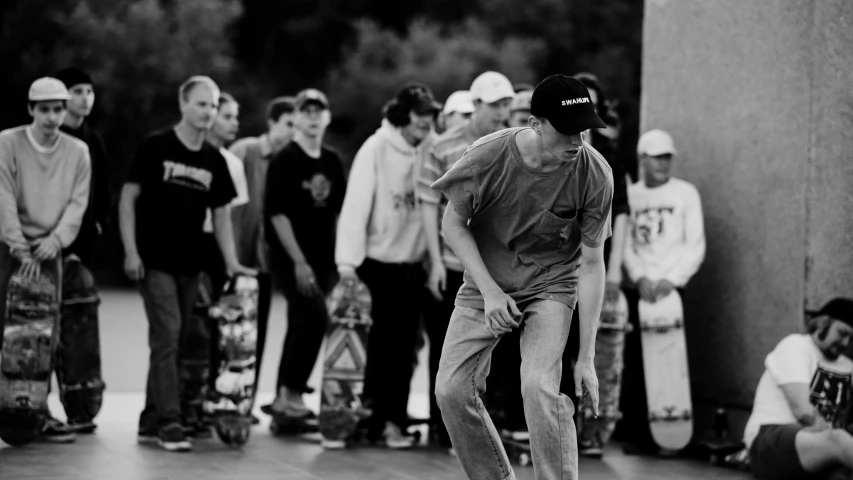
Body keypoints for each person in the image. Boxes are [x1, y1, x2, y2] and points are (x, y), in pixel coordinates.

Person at [433, 74, 614, 480]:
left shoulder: (595, 173)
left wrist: (585, 357)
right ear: (536, 125)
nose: (576, 141)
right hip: (487, 284)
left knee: (538, 387)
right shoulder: (487, 156)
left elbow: (591, 264)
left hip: (552, 284)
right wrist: (491, 292)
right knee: (451, 390)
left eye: (582, 130)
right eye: (566, 131)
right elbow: (453, 224)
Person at [119, 75, 254, 452]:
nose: (208, 112)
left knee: (171, 340)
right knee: (168, 336)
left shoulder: (215, 160)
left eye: (213, 105)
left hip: (191, 265)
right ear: (183, 104)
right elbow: (128, 199)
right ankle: (169, 422)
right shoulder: (156, 146)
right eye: (201, 104)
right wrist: (130, 250)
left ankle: (150, 416)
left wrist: (232, 262)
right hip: (154, 261)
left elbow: (223, 216)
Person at [335, 82, 440, 449]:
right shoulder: (376, 148)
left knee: (404, 349)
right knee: (376, 350)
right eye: (419, 113)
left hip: (411, 267)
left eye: (430, 113)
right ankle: (368, 420)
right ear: (401, 113)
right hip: (377, 266)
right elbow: (356, 205)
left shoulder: (432, 149)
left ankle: (393, 421)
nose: (426, 121)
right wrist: (347, 264)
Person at [419, 71, 518, 451]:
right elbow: (430, 209)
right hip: (449, 261)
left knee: (494, 353)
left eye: (506, 104)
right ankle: (443, 428)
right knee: (450, 351)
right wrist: (431, 262)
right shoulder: (442, 146)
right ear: (475, 105)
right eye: (495, 105)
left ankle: (483, 427)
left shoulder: (511, 142)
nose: (502, 111)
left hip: (495, 265)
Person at [0, 77, 92, 443]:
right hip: (10, 249)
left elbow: (78, 202)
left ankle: (35, 414)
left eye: (58, 109)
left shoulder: (78, 151)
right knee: (6, 330)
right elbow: (3, 193)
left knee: (42, 338)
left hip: (49, 250)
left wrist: (57, 241)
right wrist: (17, 245)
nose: (52, 117)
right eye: (45, 110)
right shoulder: (8, 143)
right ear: (30, 110)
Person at [557, 72, 632, 458]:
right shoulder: (556, 143)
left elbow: (621, 211)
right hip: (559, 263)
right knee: (562, 346)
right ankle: (561, 424)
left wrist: (614, 267)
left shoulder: (607, 154)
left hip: (595, 257)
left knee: (595, 348)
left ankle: (592, 429)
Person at [619, 128, 706, 454]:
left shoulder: (686, 193)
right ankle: (640, 434)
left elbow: (695, 245)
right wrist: (639, 277)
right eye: (657, 157)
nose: (663, 164)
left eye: (667, 157)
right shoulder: (633, 194)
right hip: (640, 290)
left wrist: (672, 280)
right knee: (639, 363)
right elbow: (625, 243)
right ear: (643, 159)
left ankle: (677, 432)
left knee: (673, 359)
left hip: (672, 291)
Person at [264, 89, 346, 426]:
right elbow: (277, 214)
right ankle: (292, 393)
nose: (313, 117)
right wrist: (298, 262)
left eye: (319, 111)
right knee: (313, 318)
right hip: (291, 257)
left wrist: (343, 260)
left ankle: (284, 404)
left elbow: (341, 212)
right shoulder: (285, 159)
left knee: (301, 322)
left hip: (324, 258)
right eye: (306, 111)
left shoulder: (331, 160)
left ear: (326, 117)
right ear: (295, 117)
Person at [44, 66, 111, 435]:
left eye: (90, 90)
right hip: (45, 250)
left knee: (78, 333)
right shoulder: (50, 139)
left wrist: (89, 240)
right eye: (78, 90)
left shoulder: (93, 140)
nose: (86, 97)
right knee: (40, 332)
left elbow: (100, 200)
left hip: (79, 254)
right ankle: (34, 408)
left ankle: (80, 407)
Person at [743, 298, 853, 480]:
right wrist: (834, 436)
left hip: (821, 451)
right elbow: (802, 410)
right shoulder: (795, 345)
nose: (845, 342)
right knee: (838, 439)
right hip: (771, 439)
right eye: (842, 333)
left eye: (851, 338)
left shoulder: (849, 366)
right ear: (823, 322)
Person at [229, 96, 297, 272]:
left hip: (267, 261)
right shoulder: (244, 151)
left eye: (298, 127)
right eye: (289, 124)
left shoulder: (292, 164)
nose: (294, 132)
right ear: (272, 122)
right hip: (236, 251)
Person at [202, 91, 250, 291]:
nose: (235, 123)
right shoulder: (190, 155)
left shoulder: (234, 164)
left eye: (236, 117)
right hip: (190, 241)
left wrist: (232, 258)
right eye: (227, 117)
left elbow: (235, 217)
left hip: (218, 245)